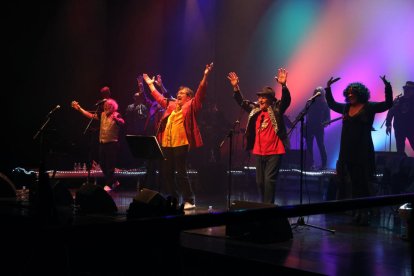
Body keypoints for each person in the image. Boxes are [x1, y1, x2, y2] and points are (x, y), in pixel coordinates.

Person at [143, 62, 214, 210]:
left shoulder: (192, 105)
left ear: (189, 97)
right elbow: (159, 98)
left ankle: (189, 199)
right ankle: (173, 198)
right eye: (178, 93)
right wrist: (150, 85)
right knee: (166, 173)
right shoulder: (172, 105)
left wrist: (205, 75)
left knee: (181, 172)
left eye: (182, 94)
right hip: (167, 143)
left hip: (181, 143)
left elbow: (201, 91)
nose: (178, 95)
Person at [325, 76, 393, 224]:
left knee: (363, 183)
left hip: (362, 150)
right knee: (355, 183)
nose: (350, 95)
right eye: (348, 93)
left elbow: (388, 104)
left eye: (353, 92)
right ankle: (357, 211)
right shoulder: (345, 108)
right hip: (348, 151)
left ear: (360, 94)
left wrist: (387, 87)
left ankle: (365, 211)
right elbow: (331, 104)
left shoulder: (369, 107)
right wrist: (328, 88)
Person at [227, 68, 291, 204]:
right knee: (260, 182)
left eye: (263, 97)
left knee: (269, 180)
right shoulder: (255, 110)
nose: (260, 100)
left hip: (274, 151)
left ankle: (268, 208)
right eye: (259, 97)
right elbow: (242, 102)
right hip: (259, 151)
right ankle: (265, 205)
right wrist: (236, 88)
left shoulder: (276, 109)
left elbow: (286, 100)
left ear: (270, 100)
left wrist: (283, 86)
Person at [71, 97, 125, 192]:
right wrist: (79, 108)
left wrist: (117, 119)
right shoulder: (102, 115)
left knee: (110, 166)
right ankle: (114, 181)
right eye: (104, 106)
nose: (105, 108)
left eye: (108, 106)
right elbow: (90, 115)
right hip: (102, 143)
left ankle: (109, 184)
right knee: (103, 165)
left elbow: (122, 123)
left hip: (112, 144)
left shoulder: (117, 114)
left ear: (112, 107)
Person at [305, 87, 330, 170]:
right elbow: (305, 113)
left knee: (321, 145)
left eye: (319, 92)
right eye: (316, 92)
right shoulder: (310, 103)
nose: (317, 93)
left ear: (322, 94)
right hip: (309, 127)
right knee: (309, 146)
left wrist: (326, 123)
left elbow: (328, 118)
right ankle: (310, 164)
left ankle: (324, 165)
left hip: (319, 128)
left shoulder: (325, 104)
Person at [386, 81, 414, 154]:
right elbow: (391, 112)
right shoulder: (399, 100)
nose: (406, 90)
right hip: (399, 128)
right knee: (400, 149)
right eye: (405, 89)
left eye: (408, 89)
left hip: (411, 128)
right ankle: (401, 163)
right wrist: (388, 124)